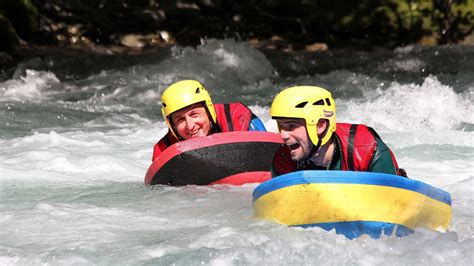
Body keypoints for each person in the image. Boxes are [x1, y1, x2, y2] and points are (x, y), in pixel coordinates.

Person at [270, 85, 406, 177]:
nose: (283, 135)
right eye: (281, 126)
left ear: (320, 126)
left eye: (291, 126)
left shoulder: (367, 150)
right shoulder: (283, 160)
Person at [152, 79, 266, 161]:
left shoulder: (237, 118)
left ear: (209, 110)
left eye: (194, 115)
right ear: (172, 126)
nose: (190, 126)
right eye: (180, 120)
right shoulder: (164, 151)